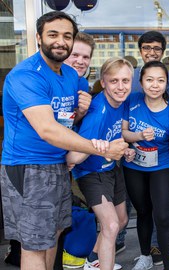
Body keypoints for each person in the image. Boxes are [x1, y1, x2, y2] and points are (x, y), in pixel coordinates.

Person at [0, 11, 127, 270]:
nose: (61, 41)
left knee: (54, 235)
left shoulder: (71, 77)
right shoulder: (26, 75)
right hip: (28, 168)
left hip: (59, 165)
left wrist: (80, 111)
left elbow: (68, 120)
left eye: (66, 36)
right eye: (53, 34)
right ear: (38, 38)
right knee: (34, 245)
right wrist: (101, 147)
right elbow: (47, 129)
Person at [67, 57, 136, 270]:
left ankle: (92, 259)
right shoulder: (97, 112)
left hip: (110, 169)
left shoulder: (123, 102)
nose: (121, 86)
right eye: (114, 81)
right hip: (91, 173)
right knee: (112, 225)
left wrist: (124, 148)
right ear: (103, 82)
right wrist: (100, 148)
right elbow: (73, 157)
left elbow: (116, 136)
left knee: (122, 220)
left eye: (125, 80)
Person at [121, 61, 169, 270]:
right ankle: (145, 255)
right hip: (134, 166)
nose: (155, 85)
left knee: (163, 217)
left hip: (162, 166)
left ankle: (168, 267)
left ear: (167, 84)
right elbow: (124, 133)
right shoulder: (132, 100)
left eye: (160, 80)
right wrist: (138, 136)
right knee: (143, 211)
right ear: (141, 82)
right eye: (149, 80)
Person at [61, 31, 96, 269]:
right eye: (75, 54)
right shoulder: (51, 78)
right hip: (42, 159)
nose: (80, 61)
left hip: (68, 159)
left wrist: (82, 112)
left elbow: (71, 123)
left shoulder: (82, 83)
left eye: (86, 56)